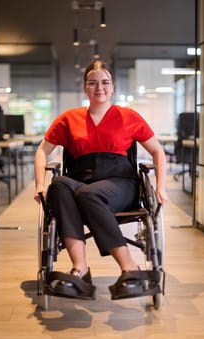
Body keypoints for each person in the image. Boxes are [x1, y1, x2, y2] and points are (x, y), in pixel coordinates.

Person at [34, 60, 167, 300]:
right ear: (85, 87)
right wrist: (40, 185)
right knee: (60, 185)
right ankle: (80, 269)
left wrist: (160, 187)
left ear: (113, 86)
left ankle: (130, 268)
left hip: (121, 183)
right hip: (80, 181)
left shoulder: (128, 116)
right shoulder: (69, 119)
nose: (99, 88)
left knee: (88, 194)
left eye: (105, 82)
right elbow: (42, 151)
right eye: (92, 83)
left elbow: (158, 151)